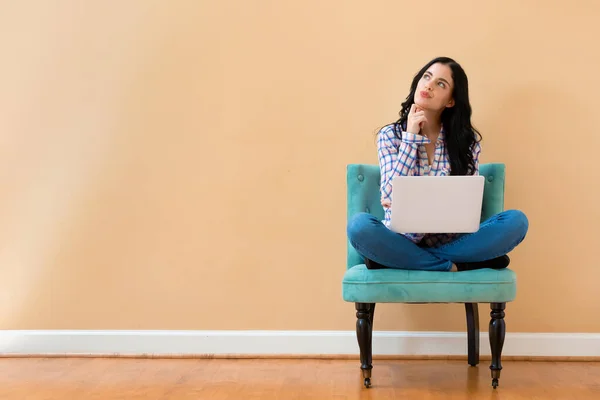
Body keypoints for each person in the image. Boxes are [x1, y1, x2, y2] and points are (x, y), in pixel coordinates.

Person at [346, 57, 529, 272]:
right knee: (359, 227)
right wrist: (411, 138)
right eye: (427, 77)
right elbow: (389, 196)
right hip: (399, 239)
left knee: (516, 221)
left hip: (451, 242)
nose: (429, 85)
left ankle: (404, 261)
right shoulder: (390, 136)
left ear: (450, 101)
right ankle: (456, 265)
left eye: (441, 84)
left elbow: (466, 207)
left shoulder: (467, 143)